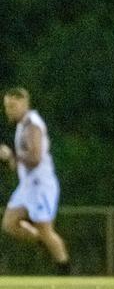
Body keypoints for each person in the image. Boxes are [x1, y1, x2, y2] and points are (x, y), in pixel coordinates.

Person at [0, 87, 71, 275]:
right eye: (7, 106)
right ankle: (42, 240)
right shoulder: (21, 125)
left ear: (24, 103)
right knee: (9, 224)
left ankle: (65, 272)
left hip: (42, 186)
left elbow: (36, 158)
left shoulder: (32, 125)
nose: (9, 110)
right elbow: (21, 163)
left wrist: (11, 155)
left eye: (13, 106)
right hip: (28, 186)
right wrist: (11, 161)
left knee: (46, 230)